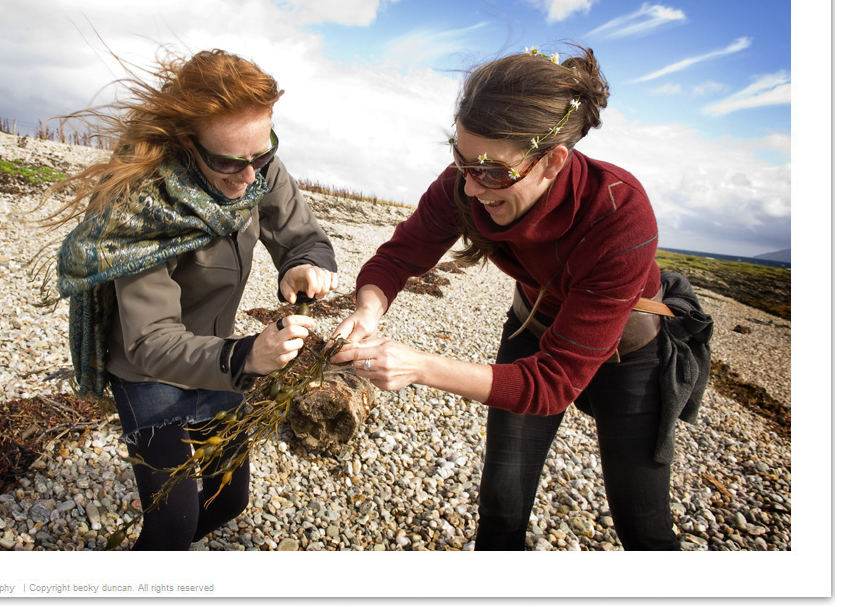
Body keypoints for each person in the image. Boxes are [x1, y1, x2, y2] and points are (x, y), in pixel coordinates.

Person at [331, 46, 711, 551]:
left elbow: (554, 382)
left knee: (642, 523)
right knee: (502, 506)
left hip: (632, 351)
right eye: (461, 160)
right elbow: (399, 257)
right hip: (533, 326)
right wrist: (367, 310)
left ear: (553, 161)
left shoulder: (619, 209)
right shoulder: (465, 183)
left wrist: (420, 366)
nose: (471, 188)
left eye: (492, 171)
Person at [40, 48, 338, 550]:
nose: (250, 177)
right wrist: (248, 356)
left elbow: (302, 235)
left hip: (220, 359)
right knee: (172, 526)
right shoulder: (142, 209)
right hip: (148, 374)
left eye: (261, 155)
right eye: (228, 162)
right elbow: (151, 341)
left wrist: (302, 263)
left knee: (228, 501)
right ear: (186, 143)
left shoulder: (254, 165)